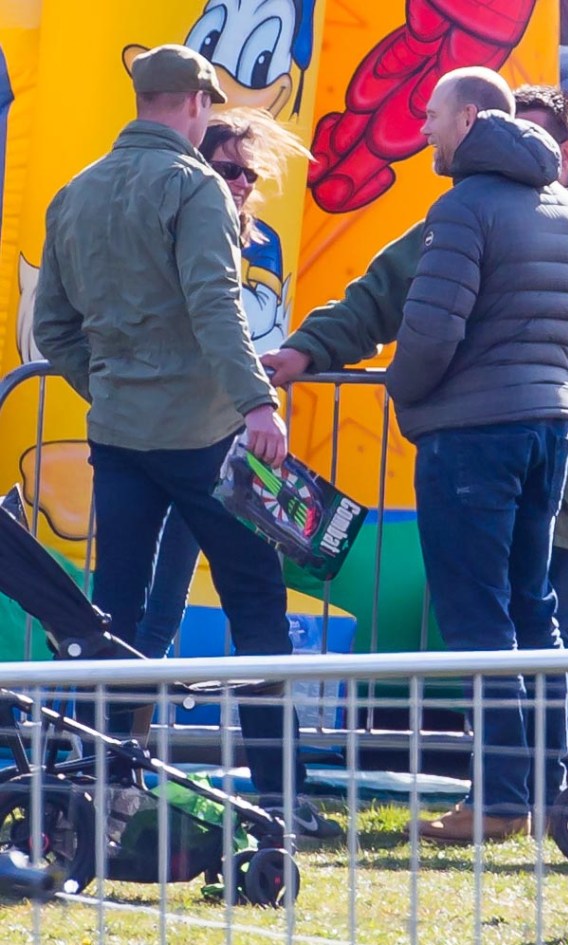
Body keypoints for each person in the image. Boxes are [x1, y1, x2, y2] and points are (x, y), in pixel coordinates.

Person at [261, 84, 568, 775]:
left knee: (501, 625)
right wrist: (312, 346)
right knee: (534, 621)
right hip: (551, 453)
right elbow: (384, 292)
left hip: (548, 471)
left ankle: (554, 774)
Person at [32, 45, 339, 841]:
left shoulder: (74, 192)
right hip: (205, 437)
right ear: (199, 102)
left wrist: (111, 387)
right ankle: (278, 798)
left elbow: (53, 328)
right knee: (257, 611)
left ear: (142, 98)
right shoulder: (194, 186)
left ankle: (92, 794)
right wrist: (257, 403)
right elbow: (215, 305)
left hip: (121, 437)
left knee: (115, 619)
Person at [387, 66, 568, 843]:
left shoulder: (463, 209)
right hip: (551, 426)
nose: (423, 129)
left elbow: (428, 336)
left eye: (432, 113)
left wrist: (405, 399)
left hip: (472, 438)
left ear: (472, 117)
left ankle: (501, 799)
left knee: (479, 620)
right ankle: (546, 786)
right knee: (532, 613)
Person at [135, 108, 312, 664]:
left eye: (247, 175)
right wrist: (256, 399)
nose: (239, 183)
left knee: (168, 596)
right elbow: (206, 320)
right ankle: (114, 733)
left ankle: (120, 735)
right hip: (183, 433)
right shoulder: (185, 224)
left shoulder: (235, 234)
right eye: (226, 169)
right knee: (152, 599)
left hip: (211, 432)